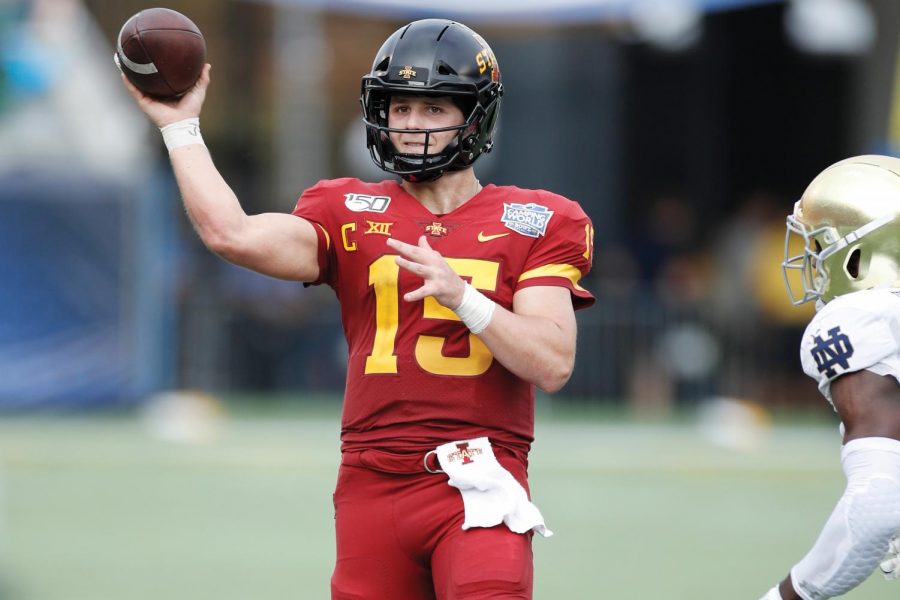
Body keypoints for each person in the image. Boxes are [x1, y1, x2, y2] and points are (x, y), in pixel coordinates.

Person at [120, 18, 594, 600]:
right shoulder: (346, 208)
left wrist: (465, 298)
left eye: (434, 108)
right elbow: (232, 234)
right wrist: (180, 126)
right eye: (399, 108)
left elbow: (552, 362)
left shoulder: (538, 219)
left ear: (474, 115)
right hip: (372, 485)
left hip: (478, 478)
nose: (411, 125)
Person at [760, 155, 900, 600]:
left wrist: (787, 595)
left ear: (861, 253)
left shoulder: (863, 317)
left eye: (821, 246)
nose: (814, 262)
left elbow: (878, 504)